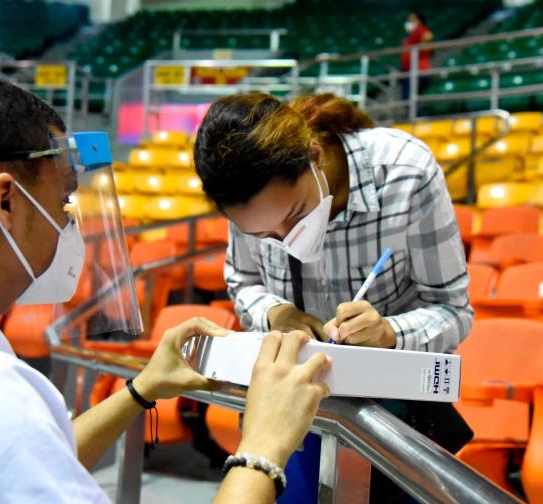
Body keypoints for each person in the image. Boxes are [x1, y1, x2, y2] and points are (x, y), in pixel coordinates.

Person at [0, 73, 330, 503]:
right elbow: (3, 443)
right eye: (63, 198)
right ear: (6, 201)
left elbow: (28, 462)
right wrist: (263, 446)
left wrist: (140, 390)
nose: (66, 220)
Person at [194, 92, 473, 503]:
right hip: (293, 412)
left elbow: (453, 310)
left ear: (314, 155)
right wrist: (276, 313)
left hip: (392, 421)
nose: (286, 239)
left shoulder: (403, 173)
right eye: (265, 235)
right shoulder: (245, 195)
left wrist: (389, 333)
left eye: (295, 214)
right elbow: (243, 281)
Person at [400, 10, 434, 116]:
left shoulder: (421, 32)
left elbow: (428, 36)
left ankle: (422, 118)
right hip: (408, 71)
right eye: (409, 20)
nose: (409, 22)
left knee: (409, 98)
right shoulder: (410, 37)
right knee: (408, 99)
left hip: (419, 71)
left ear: (419, 21)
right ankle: (419, 117)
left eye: (412, 20)